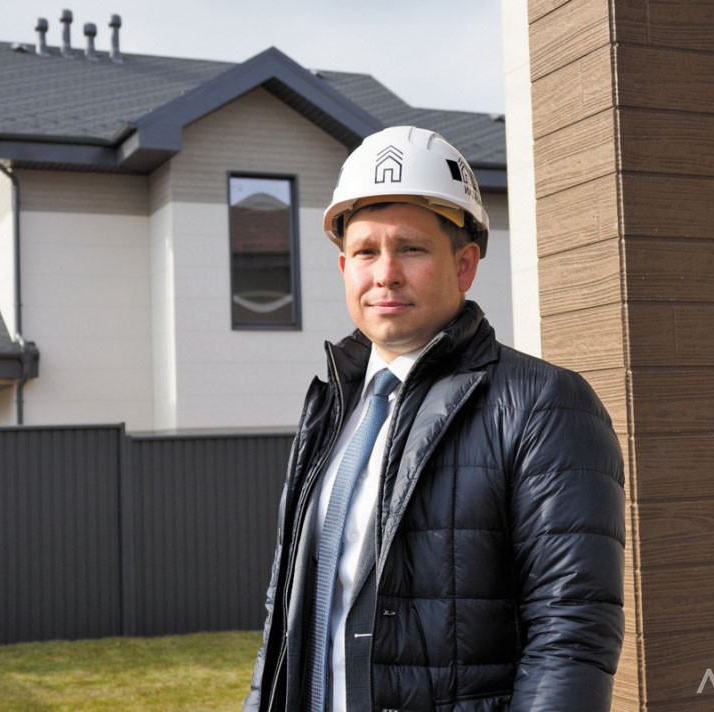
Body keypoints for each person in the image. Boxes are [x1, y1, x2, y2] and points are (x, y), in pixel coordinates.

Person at [244, 126, 625, 712]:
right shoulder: (332, 407)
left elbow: (570, 636)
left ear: (465, 265)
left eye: (412, 249)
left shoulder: (544, 406)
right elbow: (286, 610)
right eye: (366, 252)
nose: (385, 273)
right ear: (344, 266)